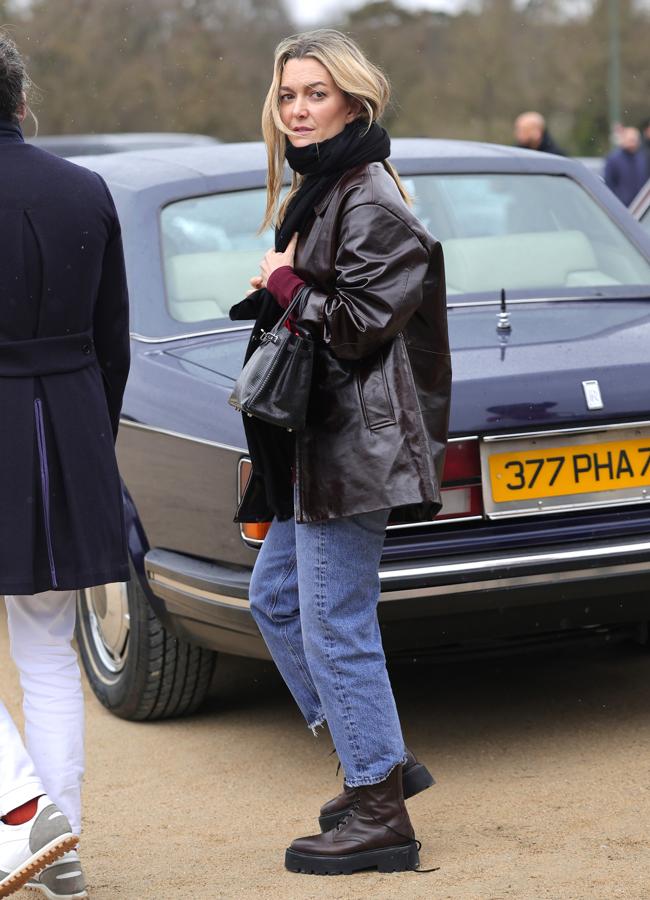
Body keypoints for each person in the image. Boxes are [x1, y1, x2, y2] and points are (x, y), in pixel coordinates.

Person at [230, 29, 451, 875]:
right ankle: (377, 761)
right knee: (278, 602)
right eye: (287, 95)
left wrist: (287, 284)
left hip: (353, 450)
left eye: (314, 94)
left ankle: (379, 809)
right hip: (315, 443)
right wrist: (284, 287)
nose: (296, 109)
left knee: (333, 622)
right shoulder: (325, 191)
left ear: (354, 101)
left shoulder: (369, 200)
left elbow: (361, 326)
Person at [0, 32, 130, 899]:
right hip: (71, 427)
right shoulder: (86, 190)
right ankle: (59, 836)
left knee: (47, 645)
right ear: (19, 98)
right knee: (48, 647)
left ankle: (24, 810)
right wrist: (88, 440)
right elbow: (112, 343)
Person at [604, 126, 649, 206]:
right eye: (630, 140)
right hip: (621, 206)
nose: (633, 143)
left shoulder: (641, 158)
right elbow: (609, 184)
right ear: (623, 140)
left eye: (635, 140)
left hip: (640, 206)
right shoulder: (613, 159)